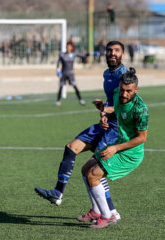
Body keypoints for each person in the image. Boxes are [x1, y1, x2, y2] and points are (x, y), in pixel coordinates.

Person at [35, 41, 128, 221]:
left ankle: (111, 211)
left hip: (116, 129)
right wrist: (104, 107)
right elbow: (113, 102)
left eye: (117, 51)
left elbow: (126, 106)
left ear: (123, 55)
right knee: (71, 147)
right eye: (109, 51)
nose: (112, 53)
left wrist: (107, 111)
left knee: (94, 169)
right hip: (104, 124)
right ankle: (57, 193)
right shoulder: (107, 73)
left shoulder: (125, 75)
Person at [77, 67, 148, 228]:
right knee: (85, 169)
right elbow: (117, 111)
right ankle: (96, 211)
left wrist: (115, 148)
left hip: (130, 154)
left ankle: (108, 216)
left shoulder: (140, 109)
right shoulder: (117, 93)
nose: (124, 94)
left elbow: (142, 137)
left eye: (129, 91)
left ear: (136, 90)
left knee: (93, 175)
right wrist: (105, 116)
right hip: (118, 145)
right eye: (122, 90)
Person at [54, 42, 86, 106]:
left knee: (75, 86)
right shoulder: (62, 54)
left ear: (71, 48)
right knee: (61, 87)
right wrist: (57, 70)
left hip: (71, 74)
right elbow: (58, 63)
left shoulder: (74, 54)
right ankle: (58, 101)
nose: (68, 48)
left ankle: (81, 100)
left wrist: (87, 54)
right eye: (67, 46)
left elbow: (83, 56)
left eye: (69, 46)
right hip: (63, 73)